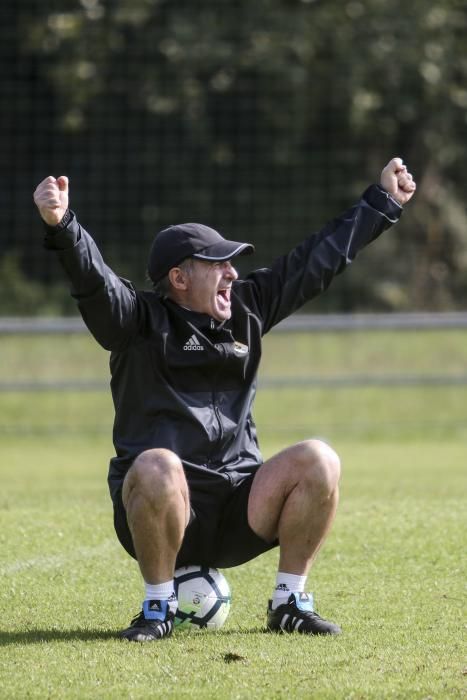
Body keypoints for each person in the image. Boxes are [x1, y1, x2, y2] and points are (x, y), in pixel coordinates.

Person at [33, 157, 416, 642]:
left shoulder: (248, 310)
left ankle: (290, 601)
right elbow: (94, 283)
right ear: (178, 278)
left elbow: (317, 261)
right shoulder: (135, 323)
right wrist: (64, 225)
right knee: (156, 464)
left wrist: (382, 203)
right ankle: (157, 607)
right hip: (166, 506)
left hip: (240, 505)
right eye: (218, 264)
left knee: (319, 459)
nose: (232, 274)